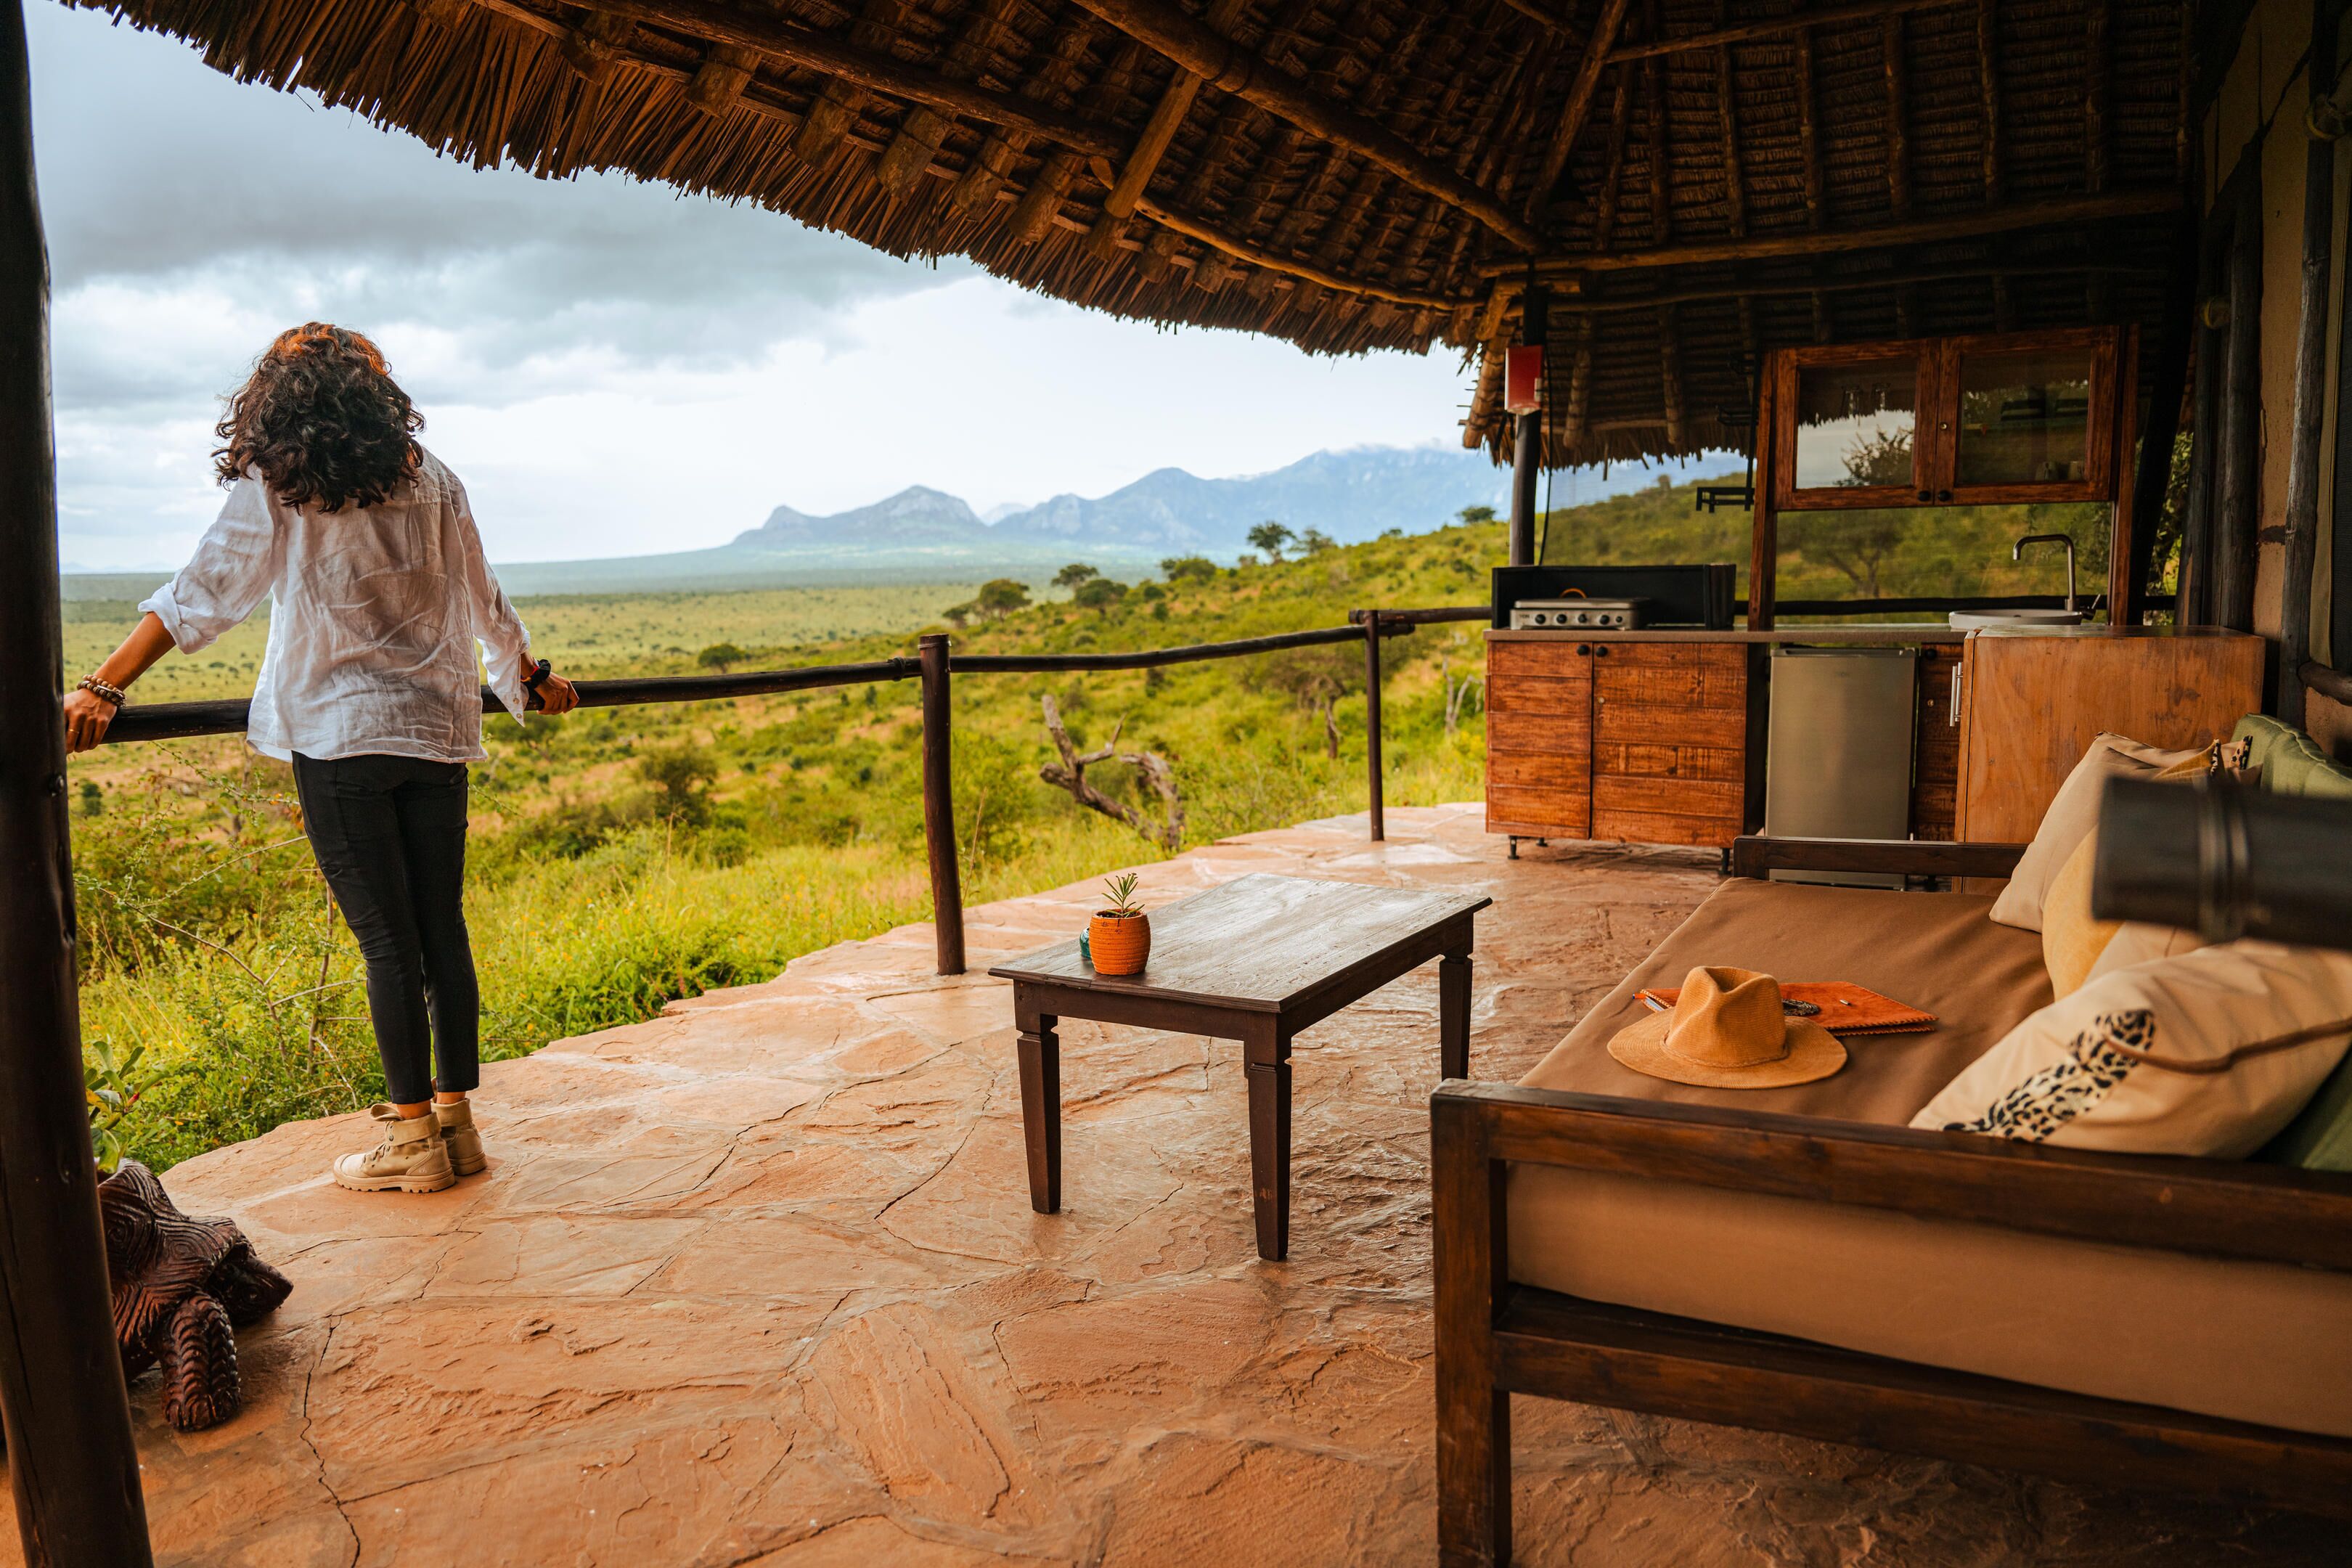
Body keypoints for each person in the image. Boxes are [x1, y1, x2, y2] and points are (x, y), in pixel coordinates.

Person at [63, 323, 578, 1194]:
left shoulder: (282, 479)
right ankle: (457, 1129)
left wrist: (103, 686)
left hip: (341, 737)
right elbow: (482, 593)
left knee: (387, 944)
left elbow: (206, 589)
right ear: (377, 393)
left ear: (277, 398)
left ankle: (412, 1141)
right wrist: (527, 678)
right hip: (432, 728)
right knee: (440, 929)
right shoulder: (432, 476)